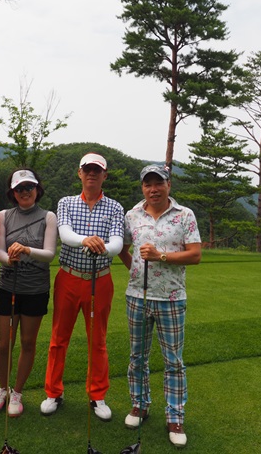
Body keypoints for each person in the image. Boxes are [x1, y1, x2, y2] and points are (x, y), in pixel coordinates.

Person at [118, 164, 201, 447]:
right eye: (148, 184)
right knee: (137, 357)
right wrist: (135, 269)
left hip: (171, 298)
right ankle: (139, 405)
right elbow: (123, 248)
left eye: (158, 183)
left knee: (173, 361)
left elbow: (195, 255)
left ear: (168, 185)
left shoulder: (184, 215)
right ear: (143, 187)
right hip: (137, 296)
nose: (153, 189)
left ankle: (175, 417)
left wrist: (160, 257)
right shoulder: (132, 215)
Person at [40, 152, 124, 421]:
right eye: (87, 170)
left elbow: (117, 243)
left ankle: (97, 395)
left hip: (100, 279)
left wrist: (102, 247)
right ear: (79, 173)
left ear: (104, 175)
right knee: (58, 339)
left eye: (97, 170)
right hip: (68, 277)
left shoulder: (115, 207)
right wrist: (87, 240)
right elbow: (65, 235)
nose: (92, 174)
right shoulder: (66, 202)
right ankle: (53, 392)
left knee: (98, 341)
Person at [0, 168, 58, 417]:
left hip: (36, 289)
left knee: (28, 343)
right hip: (8, 287)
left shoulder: (48, 217)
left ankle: (17, 391)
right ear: (13, 193)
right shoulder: (4, 216)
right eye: (19, 188)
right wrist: (8, 259)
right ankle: (3, 389)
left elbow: (49, 254)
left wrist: (27, 250)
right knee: (4, 344)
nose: (25, 192)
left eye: (29, 187)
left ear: (37, 190)